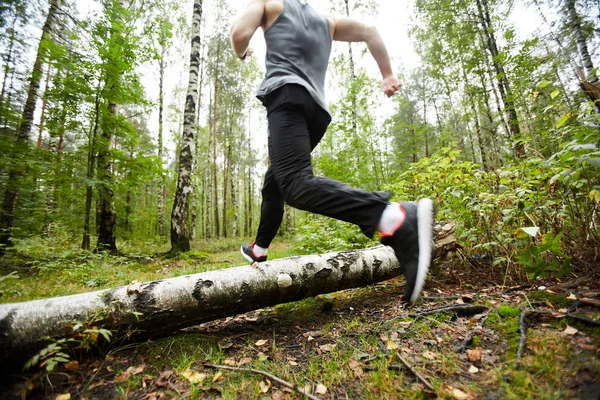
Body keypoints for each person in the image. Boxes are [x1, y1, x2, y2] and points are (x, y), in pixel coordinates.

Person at [230, 0, 434, 303]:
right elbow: (370, 31)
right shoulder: (328, 21)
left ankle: (393, 217)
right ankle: (259, 248)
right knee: (275, 181)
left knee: (295, 185)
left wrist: (242, 53)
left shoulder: (268, 4)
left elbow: (238, 35)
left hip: (286, 98)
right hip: (316, 113)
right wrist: (387, 74)